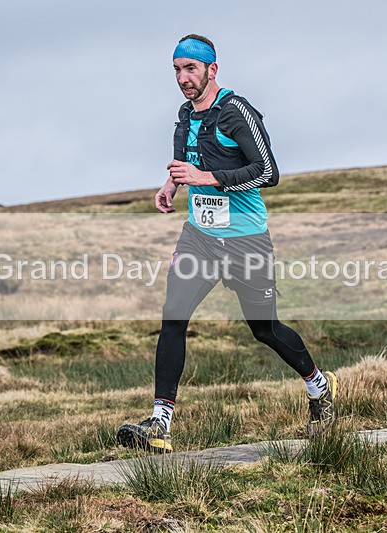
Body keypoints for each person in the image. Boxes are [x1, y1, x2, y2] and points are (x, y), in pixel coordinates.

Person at [116, 34, 336, 453]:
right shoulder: (184, 115)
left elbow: (268, 172)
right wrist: (171, 185)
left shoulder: (236, 113)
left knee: (264, 328)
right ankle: (160, 424)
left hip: (246, 241)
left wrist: (209, 179)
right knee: (173, 315)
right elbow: (188, 162)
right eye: (177, 70)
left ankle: (319, 388)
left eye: (191, 69)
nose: (183, 78)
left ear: (212, 69)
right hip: (199, 237)